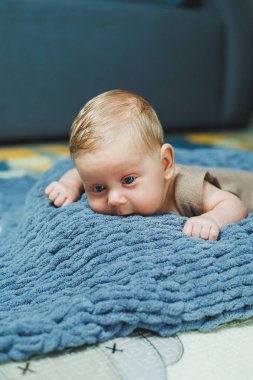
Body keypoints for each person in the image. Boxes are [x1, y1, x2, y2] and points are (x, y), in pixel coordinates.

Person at [45, 90, 251, 241]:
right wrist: (69, 185)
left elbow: (233, 204)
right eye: (99, 188)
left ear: (165, 164)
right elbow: (82, 175)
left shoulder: (187, 188)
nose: (114, 199)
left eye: (128, 180)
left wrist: (212, 219)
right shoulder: (104, 174)